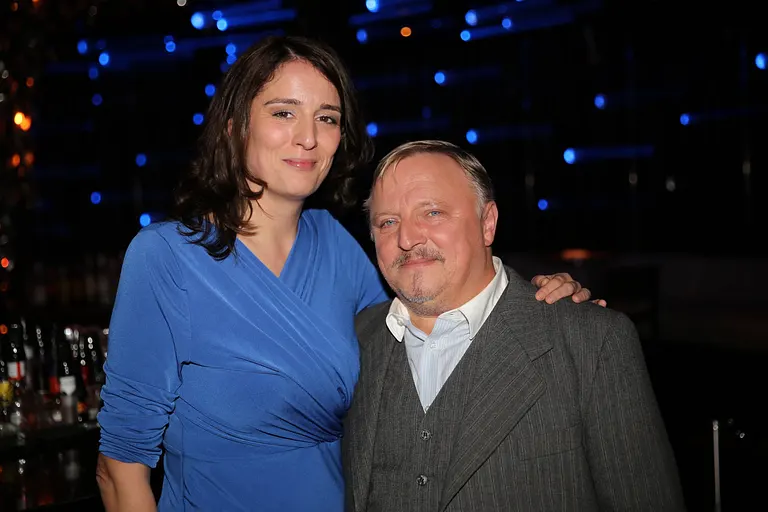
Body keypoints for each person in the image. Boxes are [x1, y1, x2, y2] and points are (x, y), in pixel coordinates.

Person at [94, 37, 599, 512]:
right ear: (234, 125)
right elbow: (120, 469)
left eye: (327, 118)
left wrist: (536, 302)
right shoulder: (163, 258)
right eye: (283, 113)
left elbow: (436, 321)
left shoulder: (334, 244)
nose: (309, 137)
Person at [343, 140, 685, 512]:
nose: (407, 238)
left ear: (487, 224)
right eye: (388, 222)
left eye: (433, 213)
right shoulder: (356, 341)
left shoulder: (591, 341)